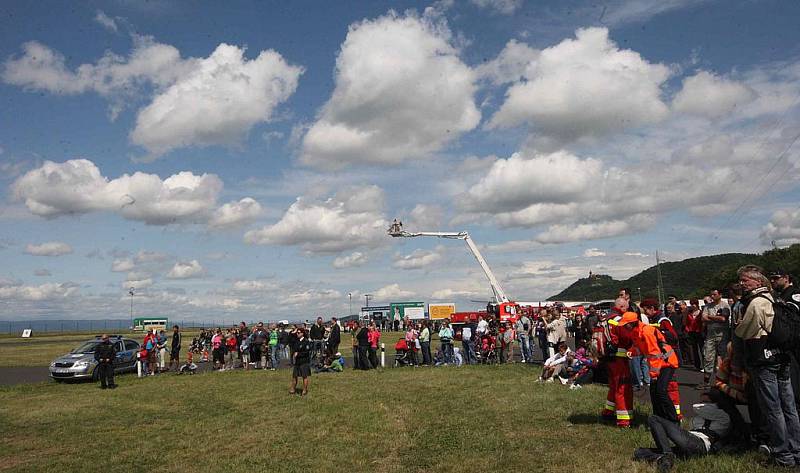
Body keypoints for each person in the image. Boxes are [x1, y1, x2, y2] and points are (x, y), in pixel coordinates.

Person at [735, 265, 800, 467]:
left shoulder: (756, 303)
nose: (742, 284)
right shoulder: (775, 298)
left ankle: (783, 455)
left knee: (773, 410)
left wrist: (739, 326)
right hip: (782, 357)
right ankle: (797, 450)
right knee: (789, 408)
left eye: (746, 280)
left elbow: (744, 331)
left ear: (758, 282)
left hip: (765, 362)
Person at [601, 299, 638, 427]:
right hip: (619, 358)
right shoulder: (618, 320)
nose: (627, 311)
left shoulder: (605, 318)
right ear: (621, 307)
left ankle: (608, 411)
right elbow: (627, 337)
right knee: (623, 387)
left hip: (607, 358)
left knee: (613, 386)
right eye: (626, 308)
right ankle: (624, 420)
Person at [700, 289, 731, 389]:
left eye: (714, 294)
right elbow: (703, 318)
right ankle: (706, 381)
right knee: (708, 357)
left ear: (720, 295)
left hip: (723, 335)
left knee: (723, 357)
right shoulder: (708, 306)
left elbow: (723, 318)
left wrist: (710, 317)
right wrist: (716, 317)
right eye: (711, 294)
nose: (712, 296)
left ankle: (723, 381)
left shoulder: (725, 306)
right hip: (710, 335)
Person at [290, 328, 312, 396]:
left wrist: (298, 354)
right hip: (297, 362)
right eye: (297, 332)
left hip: (304, 361)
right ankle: (293, 389)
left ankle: (304, 390)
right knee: (294, 376)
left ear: (302, 333)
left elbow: (307, 352)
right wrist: (293, 332)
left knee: (304, 376)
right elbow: (290, 340)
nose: (297, 334)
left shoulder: (306, 341)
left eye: (299, 332)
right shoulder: (296, 341)